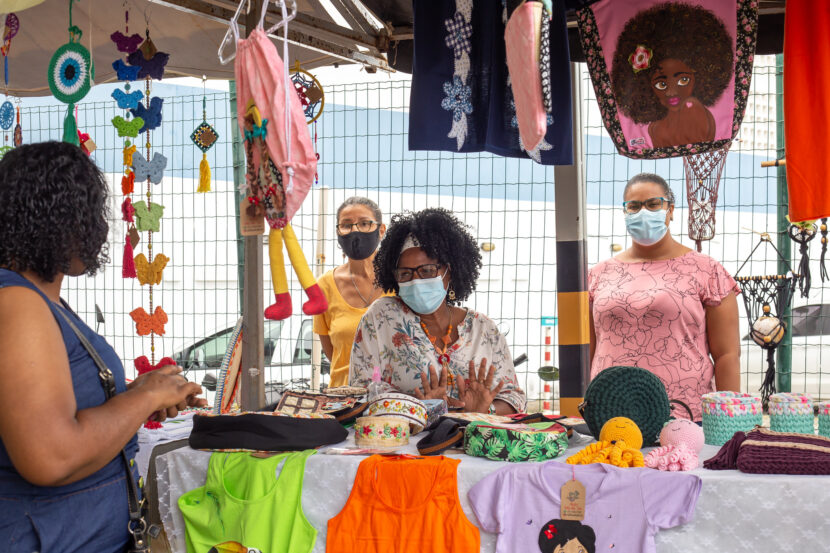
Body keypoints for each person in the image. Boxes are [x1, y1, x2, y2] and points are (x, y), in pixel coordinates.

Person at [0, 142, 206, 551]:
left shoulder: (41, 300)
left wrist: (136, 399)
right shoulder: (18, 302)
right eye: (91, 213)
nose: (100, 228)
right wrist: (143, 399)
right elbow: (51, 456)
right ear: (60, 218)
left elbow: (57, 409)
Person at [588, 173, 740, 422]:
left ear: (670, 210)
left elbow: (727, 355)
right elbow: (587, 352)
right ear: (624, 212)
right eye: (634, 206)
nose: (643, 212)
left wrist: (730, 421)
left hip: (686, 417)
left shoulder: (706, 270)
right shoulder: (597, 275)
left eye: (653, 204)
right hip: (609, 415)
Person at [350, 208, 526, 414]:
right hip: (407, 444)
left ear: (448, 272)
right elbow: (360, 392)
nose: (416, 281)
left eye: (427, 271)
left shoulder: (484, 329)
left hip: (475, 442)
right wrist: (418, 407)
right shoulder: (382, 318)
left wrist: (485, 411)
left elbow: (514, 397)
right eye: (405, 273)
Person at [610, 3, 733, 148]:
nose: (672, 92)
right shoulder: (655, 128)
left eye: (683, 80)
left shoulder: (691, 107)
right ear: (645, 86)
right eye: (661, 84)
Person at [314, 197, 390, 387]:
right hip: (343, 401)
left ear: (381, 230)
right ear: (338, 232)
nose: (355, 230)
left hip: (394, 401)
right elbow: (333, 355)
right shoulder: (324, 286)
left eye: (364, 223)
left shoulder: (399, 281)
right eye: (347, 225)